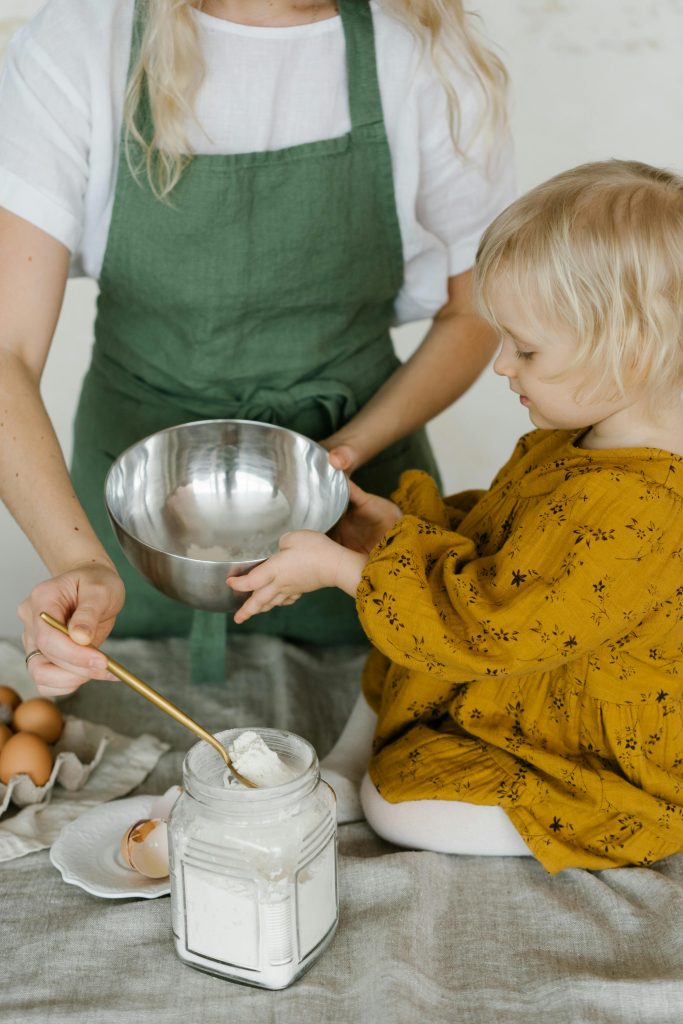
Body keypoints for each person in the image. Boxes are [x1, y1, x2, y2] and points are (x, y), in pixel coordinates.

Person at [0, 0, 513, 690]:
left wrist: (343, 458)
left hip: (356, 518)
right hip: (137, 526)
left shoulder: (425, 55)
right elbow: (6, 353)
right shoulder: (85, 42)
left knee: (378, 718)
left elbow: (473, 311)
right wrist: (82, 563)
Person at [229, 160, 683, 872]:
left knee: (396, 807)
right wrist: (384, 534)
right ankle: (351, 764)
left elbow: (491, 625)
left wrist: (345, 571)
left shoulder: (645, 507)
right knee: (395, 630)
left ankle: (572, 819)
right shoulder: (583, 438)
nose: (502, 366)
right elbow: (507, 537)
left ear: (631, 350)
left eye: (526, 349)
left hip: (578, 741)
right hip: (513, 658)